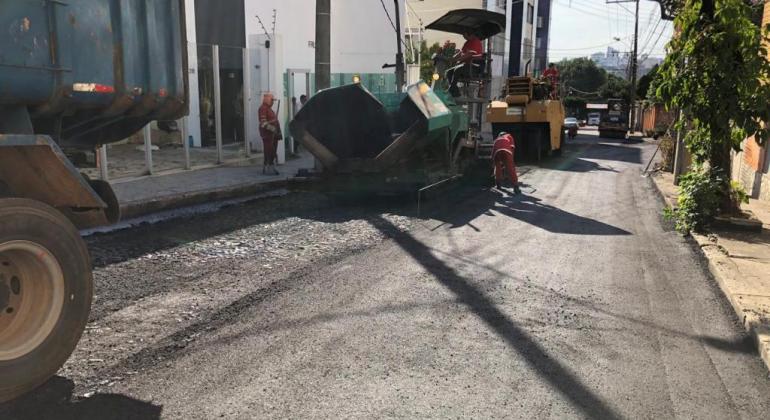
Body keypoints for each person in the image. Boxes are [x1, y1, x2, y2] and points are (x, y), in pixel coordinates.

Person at [447, 31, 485, 97]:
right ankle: (455, 92)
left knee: (458, 70)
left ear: (470, 34)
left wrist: (458, 60)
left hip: (474, 67)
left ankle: (451, 89)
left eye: (465, 35)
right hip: (466, 65)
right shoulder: (467, 42)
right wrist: (452, 58)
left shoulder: (476, 42)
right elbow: (461, 53)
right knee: (449, 72)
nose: (464, 37)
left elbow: (469, 54)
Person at [258, 92, 281, 175]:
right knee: (269, 150)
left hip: (273, 134)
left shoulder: (269, 109)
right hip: (267, 134)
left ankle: (269, 166)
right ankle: (269, 167)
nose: (272, 102)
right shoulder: (263, 108)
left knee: (272, 150)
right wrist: (273, 129)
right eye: (272, 100)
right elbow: (263, 123)